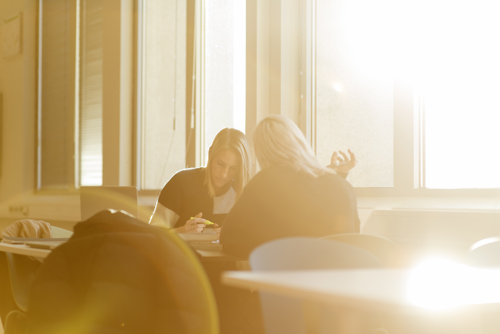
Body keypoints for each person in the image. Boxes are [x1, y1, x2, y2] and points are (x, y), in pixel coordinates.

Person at [220, 114, 360, 259]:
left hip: (287, 277)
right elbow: (353, 239)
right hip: (336, 277)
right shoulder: (342, 185)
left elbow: (229, 239)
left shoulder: (265, 182)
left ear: (263, 152)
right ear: (300, 141)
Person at [148, 128, 252, 233]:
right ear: (210, 153)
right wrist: (182, 231)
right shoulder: (180, 183)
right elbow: (152, 236)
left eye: (233, 168)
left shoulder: (244, 192)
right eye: (220, 164)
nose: (224, 174)